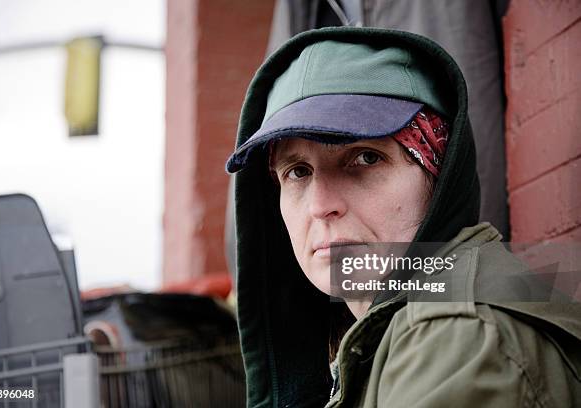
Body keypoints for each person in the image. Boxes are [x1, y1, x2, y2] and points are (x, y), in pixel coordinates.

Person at [226, 27, 581, 407]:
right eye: (297, 171)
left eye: (365, 158)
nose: (319, 205)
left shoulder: (461, 341)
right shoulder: (394, 326)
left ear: (439, 174)